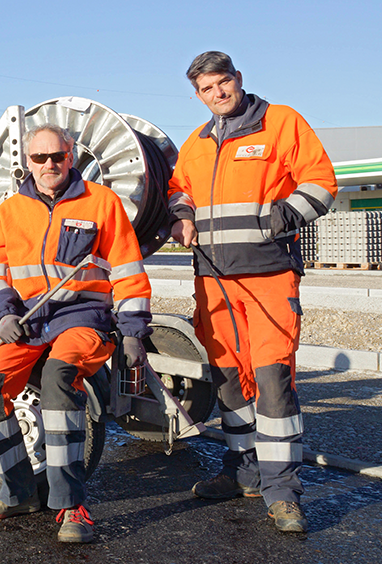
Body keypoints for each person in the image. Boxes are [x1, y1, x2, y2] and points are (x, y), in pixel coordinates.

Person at [167, 51, 337, 534]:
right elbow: (179, 189)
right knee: (227, 381)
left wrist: (277, 218)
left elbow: (321, 183)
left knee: (272, 380)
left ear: (238, 80)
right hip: (214, 279)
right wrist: (181, 215)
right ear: (197, 94)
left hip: (267, 277)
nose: (217, 94)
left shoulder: (281, 123)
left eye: (223, 83)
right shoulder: (196, 142)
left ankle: (282, 490)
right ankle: (242, 470)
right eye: (206, 89)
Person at [0, 124, 152, 543]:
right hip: (28, 321)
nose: (49, 165)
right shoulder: (10, 210)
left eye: (58, 157)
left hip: (84, 316)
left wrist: (131, 331)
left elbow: (128, 270)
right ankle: (17, 492)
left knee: (58, 379)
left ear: (71, 157)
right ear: (27, 162)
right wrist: (1, 316)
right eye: (40, 158)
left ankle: (72, 505)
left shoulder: (101, 203)